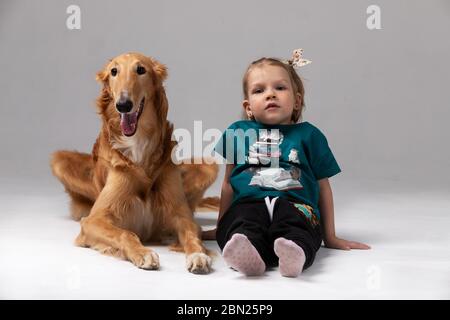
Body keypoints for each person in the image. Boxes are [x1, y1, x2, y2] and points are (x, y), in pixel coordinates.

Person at [212, 49, 370, 277]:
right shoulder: (238, 132)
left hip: (295, 204)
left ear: (297, 101)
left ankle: (295, 252)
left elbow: (323, 187)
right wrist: (220, 225)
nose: (270, 95)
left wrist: (330, 236)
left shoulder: (309, 135)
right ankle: (250, 254)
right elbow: (228, 184)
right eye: (259, 90)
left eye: (280, 88)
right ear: (248, 107)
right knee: (241, 224)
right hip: (247, 204)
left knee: (298, 225)